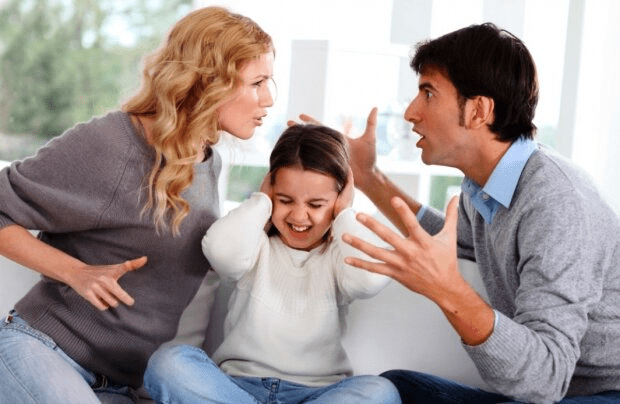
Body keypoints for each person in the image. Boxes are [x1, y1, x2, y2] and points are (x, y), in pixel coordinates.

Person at [298, 23, 620, 404]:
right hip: (550, 392)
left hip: (600, 392)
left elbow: (545, 379)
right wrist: (369, 178)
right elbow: (450, 239)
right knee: (396, 387)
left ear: (478, 110)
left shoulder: (556, 202)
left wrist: (446, 289)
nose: (411, 112)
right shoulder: (487, 185)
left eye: (428, 93)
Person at [0, 6, 274, 404]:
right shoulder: (114, 144)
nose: (269, 98)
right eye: (257, 83)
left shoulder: (208, 161)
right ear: (209, 82)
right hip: (43, 350)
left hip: (119, 385)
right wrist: (75, 272)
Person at [143, 124, 400, 404]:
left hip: (316, 394)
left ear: (340, 199)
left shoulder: (339, 257)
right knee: (168, 363)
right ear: (270, 188)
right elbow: (220, 250)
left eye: (316, 205)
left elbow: (369, 279)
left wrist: (345, 215)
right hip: (236, 388)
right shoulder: (254, 245)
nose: (299, 216)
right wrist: (261, 201)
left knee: (380, 391)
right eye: (285, 200)